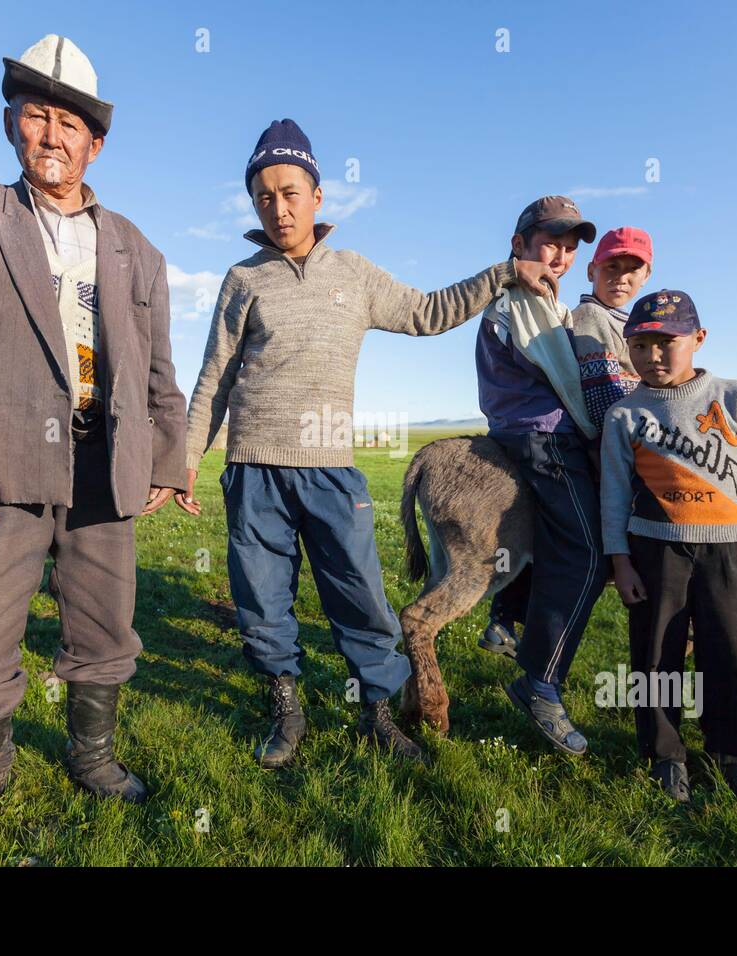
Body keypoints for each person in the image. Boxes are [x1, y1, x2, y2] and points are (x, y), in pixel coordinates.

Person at [178, 119, 559, 769]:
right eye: (264, 195)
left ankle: (379, 715)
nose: (279, 207)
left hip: (330, 470)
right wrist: (186, 459)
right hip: (252, 469)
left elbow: (429, 311)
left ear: (318, 195)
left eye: (290, 191)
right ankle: (286, 712)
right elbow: (215, 373)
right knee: (262, 599)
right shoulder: (244, 279)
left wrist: (503, 274)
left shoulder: (353, 274)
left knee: (360, 595)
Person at [0, 34, 187, 844]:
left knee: (104, 630)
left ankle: (92, 759)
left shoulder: (140, 249)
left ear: (96, 143)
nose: (51, 135)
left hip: (106, 465)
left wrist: (166, 457)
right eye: (37, 116)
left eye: (69, 123)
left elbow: (160, 368)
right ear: (11, 125)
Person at [599, 289, 737, 803]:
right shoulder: (626, 414)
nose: (652, 355)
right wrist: (620, 561)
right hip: (655, 550)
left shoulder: (736, 398)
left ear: (698, 339)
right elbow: (615, 494)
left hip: (731, 551)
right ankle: (665, 754)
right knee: (655, 655)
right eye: (640, 345)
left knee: (731, 655)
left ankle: (736, 756)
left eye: (667, 342)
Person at [480, 223, 653, 660]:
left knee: (546, 524)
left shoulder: (622, 321)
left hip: (574, 432)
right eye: (613, 267)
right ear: (593, 270)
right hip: (599, 440)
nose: (622, 277)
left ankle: (506, 613)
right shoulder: (593, 318)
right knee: (588, 544)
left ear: (647, 276)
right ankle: (542, 658)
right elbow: (603, 395)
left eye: (634, 269)